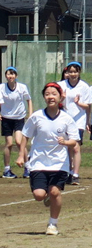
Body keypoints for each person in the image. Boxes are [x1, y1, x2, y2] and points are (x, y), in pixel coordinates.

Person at [16, 82, 79, 235]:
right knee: (39, 195)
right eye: (47, 94)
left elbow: (74, 141)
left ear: (60, 96)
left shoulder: (67, 118)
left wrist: (65, 142)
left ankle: (53, 224)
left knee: (55, 192)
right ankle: (47, 197)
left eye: (54, 94)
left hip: (59, 163)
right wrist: (20, 155)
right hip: (38, 162)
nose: (50, 97)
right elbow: (25, 135)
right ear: (44, 97)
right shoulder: (36, 116)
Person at [57, 61, 90, 185]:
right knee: (67, 148)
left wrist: (78, 103)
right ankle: (68, 172)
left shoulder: (84, 86)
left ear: (79, 72)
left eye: (75, 71)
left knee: (76, 147)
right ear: (67, 73)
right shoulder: (61, 85)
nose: (73, 74)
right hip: (65, 119)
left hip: (78, 121)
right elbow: (53, 101)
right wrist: (62, 98)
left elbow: (87, 106)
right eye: (70, 71)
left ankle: (75, 174)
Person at [0, 66, 33, 179]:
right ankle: (7, 169)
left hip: (19, 118)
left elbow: (29, 100)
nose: (10, 76)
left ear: (16, 76)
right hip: (6, 118)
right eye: (8, 74)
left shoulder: (22, 87)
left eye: (12, 74)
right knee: (9, 143)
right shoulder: (1, 87)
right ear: (5, 76)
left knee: (19, 141)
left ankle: (28, 167)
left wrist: (30, 114)